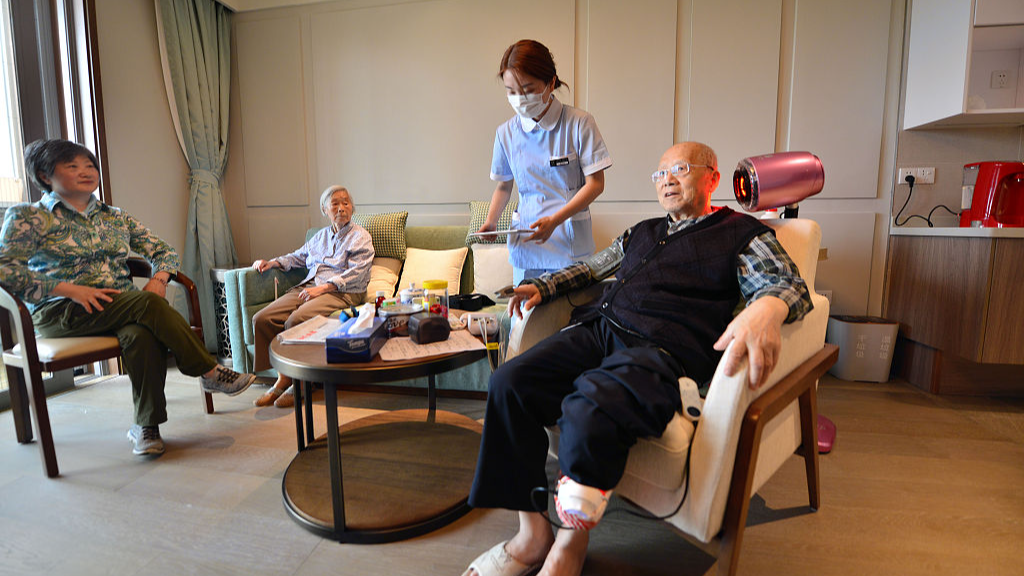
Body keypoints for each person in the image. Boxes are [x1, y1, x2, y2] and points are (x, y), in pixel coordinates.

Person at [462, 142, 814, 576]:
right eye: (660, 173)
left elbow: (788, 283)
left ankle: (570, 545)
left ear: (712, 177)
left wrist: (768, 308)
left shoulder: (741, 232)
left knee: (592, 402)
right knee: (509, 383)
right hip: (597, 329)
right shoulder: (643, 230)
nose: (666, 179)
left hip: (661, 347)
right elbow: (594, 268)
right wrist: (546, 287)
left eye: (679, 169)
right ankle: (532, 533)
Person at [0, 139, 257, 457]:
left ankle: (147, 427)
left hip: (122, 307)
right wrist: (69, 290)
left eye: (90, 165)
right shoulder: (28, 218)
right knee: (147, 306)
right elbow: (6, 270)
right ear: (44, 175)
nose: (85, 171)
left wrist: (160, 278)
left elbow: (163, 251)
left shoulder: (114, 217)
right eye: (72, 166)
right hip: (61, 311)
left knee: (140, 333)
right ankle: (208, 371)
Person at [478, 39, 612, 286]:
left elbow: (596, 184)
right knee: (526, 318)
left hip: (569, 243)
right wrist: (491, 221)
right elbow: (504, 186)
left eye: (527, 90)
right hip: (526, 244)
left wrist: (556, 220)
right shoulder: (505, 133)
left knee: (569, 319)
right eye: (511, 91)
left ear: (550, 83)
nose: (519, 99)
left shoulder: (579, 123)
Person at [250, 185, 373, 408]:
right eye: (335, 204)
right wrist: (273, 263)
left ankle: (303, 383)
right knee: (263, 318)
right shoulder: (321, 236)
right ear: (324, 210)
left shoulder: (360, 236)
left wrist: (324, 288)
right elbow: (299, 256)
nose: (341, 208)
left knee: (296, 320)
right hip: (310, 286)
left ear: (352, 208)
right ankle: (283, 377)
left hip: (342, 292)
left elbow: (357, 272)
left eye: (346, 203)